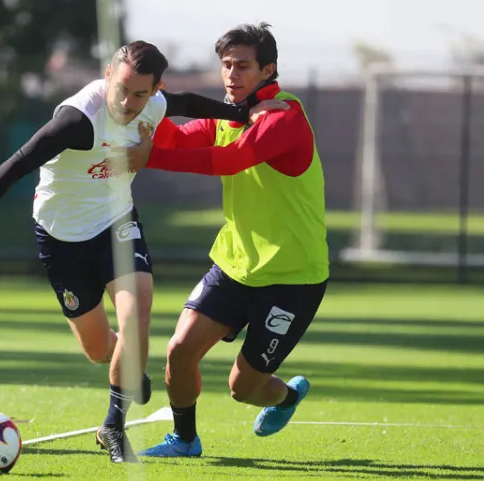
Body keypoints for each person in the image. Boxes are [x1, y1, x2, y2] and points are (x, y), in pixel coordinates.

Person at [0, 40, 280, 463]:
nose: (129, 103)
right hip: (60, 236)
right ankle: (127, 370)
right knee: (98, 349)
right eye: (122, 90)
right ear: (108, 76)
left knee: (137, 315)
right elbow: (19, 162)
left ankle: (112, 425)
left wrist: (243, 113)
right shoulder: (77, 121)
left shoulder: (154, 102)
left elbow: (187, 102)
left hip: (116, 223)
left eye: (141, 94)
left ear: (155, 90)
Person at [115, 23, 329, 458]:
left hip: (294, 276)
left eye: (243, 66)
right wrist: (148, 104)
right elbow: (177, 137)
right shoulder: (229, 117)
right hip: (234, 265)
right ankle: (185, 440)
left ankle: (286, 396)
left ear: (268, 69)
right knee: (179, 351)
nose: (231, 74)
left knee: (243, 388)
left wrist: (152, 155)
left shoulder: (284, 117)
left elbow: (235, 159)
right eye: (227, 65)